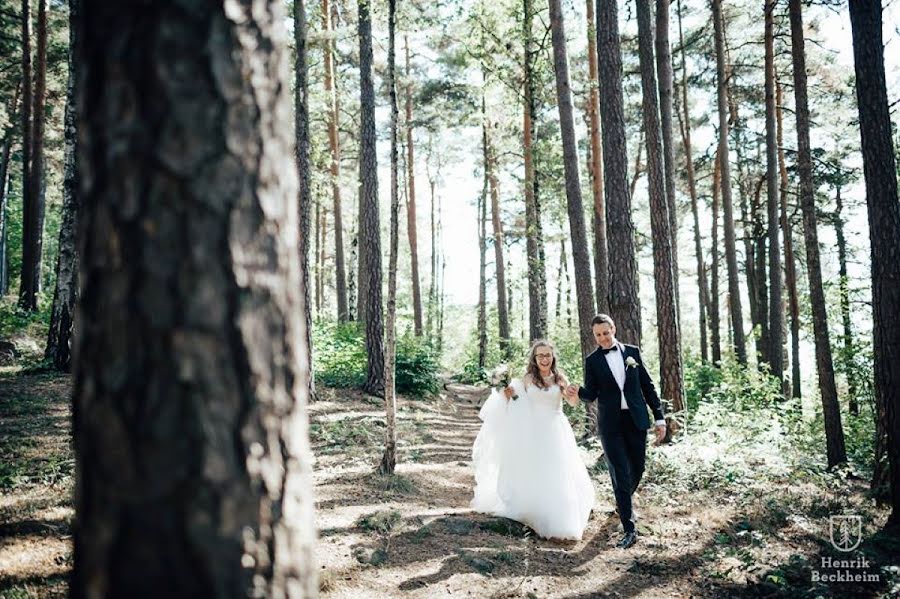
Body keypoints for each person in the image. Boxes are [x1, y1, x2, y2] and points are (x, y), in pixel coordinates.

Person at [471, 340, 595, 540]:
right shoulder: (528, 379)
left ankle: (557, 517)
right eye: (540, 356)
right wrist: (508, 395)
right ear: (535, 359)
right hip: (533, 429)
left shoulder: (560, 378)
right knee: (535, 468)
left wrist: (573, 394)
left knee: (557, 470)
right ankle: (532, 510)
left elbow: (571, 403)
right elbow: (518, 402)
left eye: (547, 355)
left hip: (555, 429)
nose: (544, 359)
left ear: (553, 357)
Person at [564, 314, 666, 549]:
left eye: (606, 333)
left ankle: (623, 502)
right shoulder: (593, 361)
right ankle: (629, 529)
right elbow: (591, 393)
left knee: (638, 467)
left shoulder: (632, 352)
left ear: (614, 329)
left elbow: (647, 387)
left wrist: (659, 417)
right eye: (598, 335)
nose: (603, 338)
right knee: (620, 472)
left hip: (636, 419)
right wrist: (577, 391)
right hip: (610, 424)